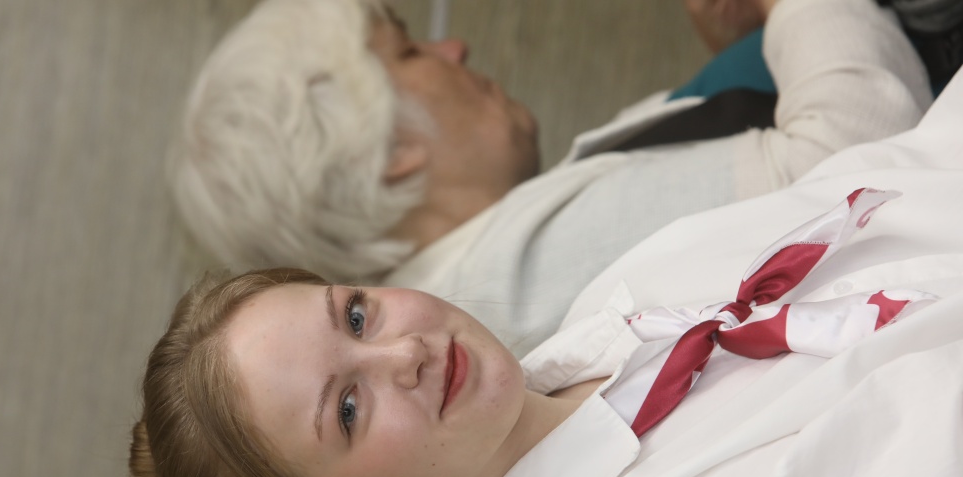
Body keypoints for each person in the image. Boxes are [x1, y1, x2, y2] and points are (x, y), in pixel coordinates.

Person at [132, 70, 963, 477]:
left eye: (355, 316)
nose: (403, 353)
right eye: (348, 408)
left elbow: (915, 167)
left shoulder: (613, 304)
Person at [170, 0, 933, 356]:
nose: (454, 49)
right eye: (408, 52)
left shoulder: (488, 262)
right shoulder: (517, 275)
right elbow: (859, 154)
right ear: (390, 148)